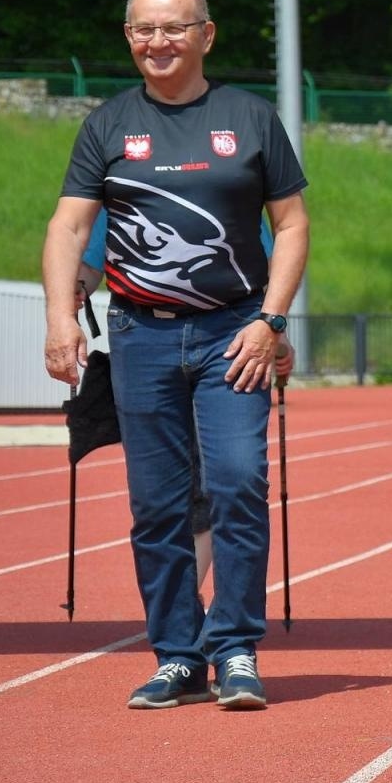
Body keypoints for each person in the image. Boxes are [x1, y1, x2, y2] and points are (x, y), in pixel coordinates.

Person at [42, 0, 310, 711]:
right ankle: (178, 655)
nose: (157, 43)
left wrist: (273, 319)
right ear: (128, 37)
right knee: (157, 506)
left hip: (235, 334)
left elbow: (291, 226)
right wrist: (61, 319)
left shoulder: (249, 118)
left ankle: (236, 648)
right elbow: (68, 227)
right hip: (140, 338)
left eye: (172, 29)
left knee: (236, 483)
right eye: (142, 30)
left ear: (206, 35)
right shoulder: (106, 124)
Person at [77, 212, 294, 600]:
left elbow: (268, 271)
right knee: (161, 494)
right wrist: (70, 296)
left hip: (227, 342)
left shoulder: (231, 183)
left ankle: (203, 618)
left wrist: (277, 334)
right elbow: (89, 260)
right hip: (149, 345)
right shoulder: (124, 185)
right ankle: (181, 617)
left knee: (230, 481)